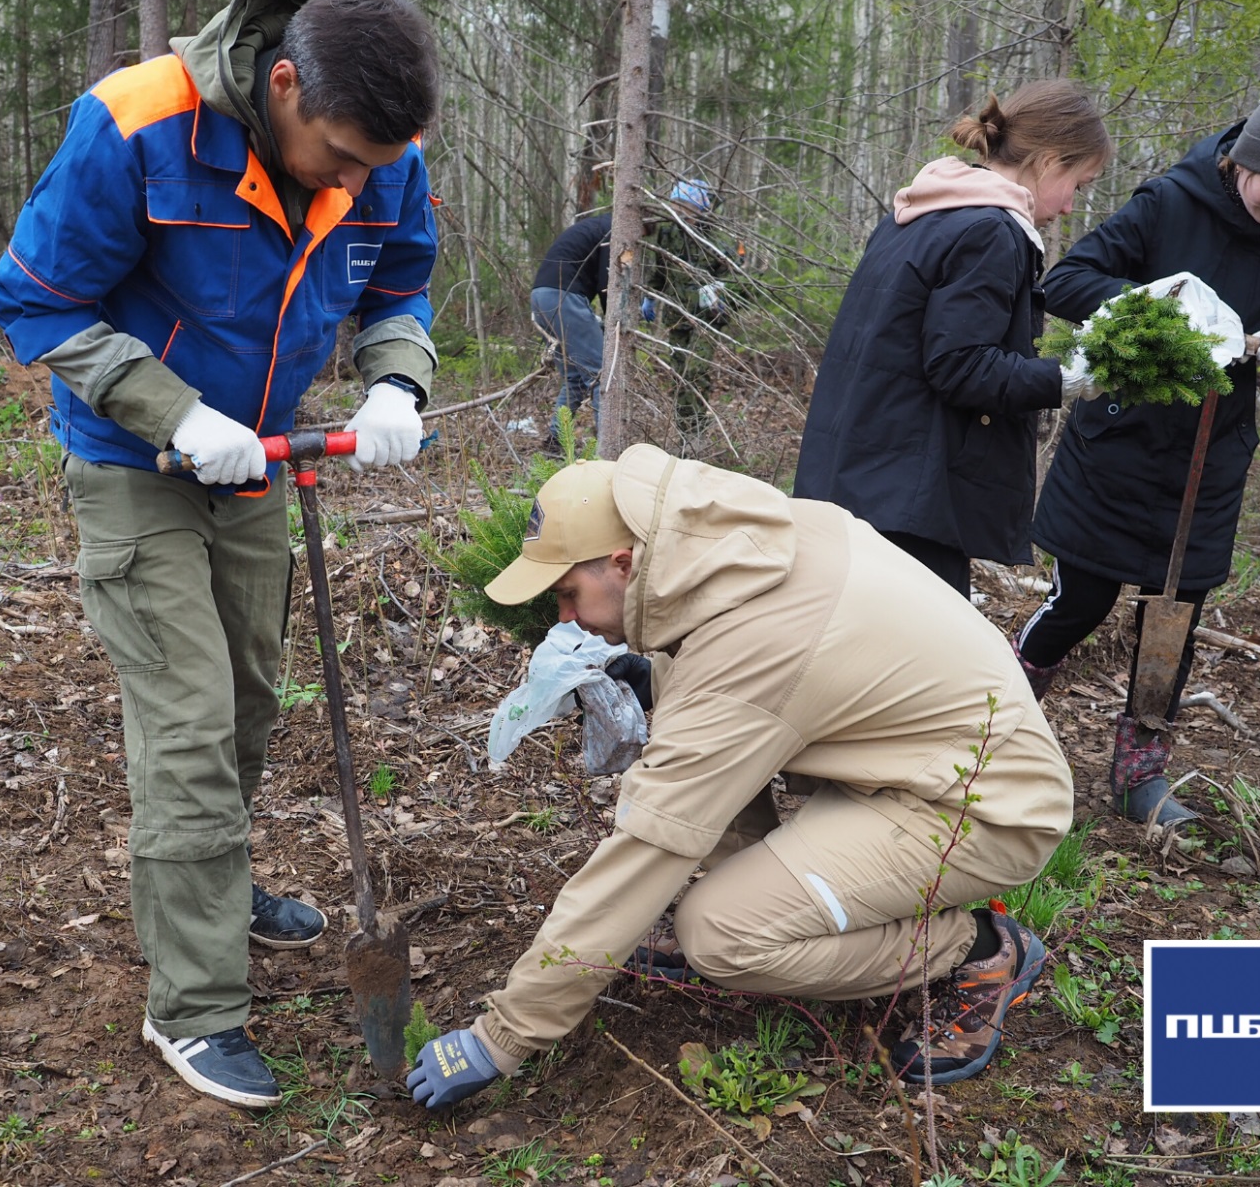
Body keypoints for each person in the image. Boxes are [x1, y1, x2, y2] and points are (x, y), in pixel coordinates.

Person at [0, 0, 441, 1109]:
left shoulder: (384, 147)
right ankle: (191, 1005)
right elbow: (34, 299)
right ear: (283, 83)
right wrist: (174, 413)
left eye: (373, 168)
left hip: (259, 459)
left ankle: (214, 882)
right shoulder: (138, 121)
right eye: (340, 157)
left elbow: (400, 280)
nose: (356, 179)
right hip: (133, 462)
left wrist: (398, 379)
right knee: (187, 723)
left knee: (246, 699)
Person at [406, 447, 1073, 1107]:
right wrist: (659, 685)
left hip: (986, 810)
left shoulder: (748, 645)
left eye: (567, 594)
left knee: (719, 935)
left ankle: (977, 948)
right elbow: (728, 721)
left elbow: (645, 848)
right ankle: (781, 896)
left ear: (621, 564)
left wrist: (503, 1037)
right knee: (701, 776)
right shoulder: (730, 551)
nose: (566, 620)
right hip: (912, 768)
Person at [1018, 68, 1260, 826]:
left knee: (1176, 615)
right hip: (1121, 443)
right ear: (1243, 161)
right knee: (1082, 600)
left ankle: (1140, 776)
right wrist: (1162, 308)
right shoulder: (1170, 200)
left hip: (1213, 452)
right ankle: (990, 726)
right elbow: (1067, 280)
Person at [792, 81, 1111, 600]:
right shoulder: (991, 230)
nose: (1073, 206)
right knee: (920, 667)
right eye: (1080, 183)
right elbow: (961, 365)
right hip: (909, 499)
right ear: (1049, 161)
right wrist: (1065, 377)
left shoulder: (922, 212)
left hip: (859, 474)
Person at [649, 178, 735, 444]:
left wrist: (721, 297)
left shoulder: (716, 238)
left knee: (696, 373)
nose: (683, 212)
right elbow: (661, 270)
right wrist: (650, 297)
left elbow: (733, 277)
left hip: (707, 319)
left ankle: (696, 434)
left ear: (700, 209)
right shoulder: (668, 233)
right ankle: (684, 434)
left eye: (688, 207)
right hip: (677, 317)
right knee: (678, 376)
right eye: (678, 205)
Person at [530, 211, 612, 448]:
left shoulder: (597, 226)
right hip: (563, 297)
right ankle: (606, 450)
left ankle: (556, 441)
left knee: (575, 378)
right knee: (600, 375)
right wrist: (616, 324)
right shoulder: (613, 231)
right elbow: (608, 285)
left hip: (540, 297)